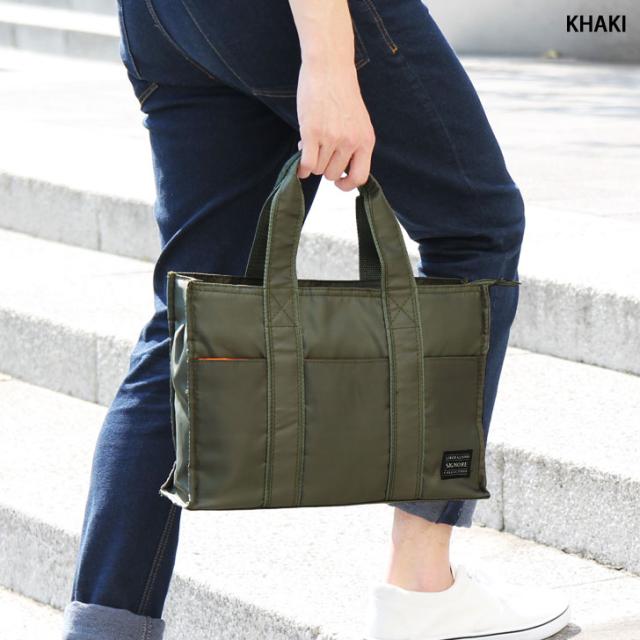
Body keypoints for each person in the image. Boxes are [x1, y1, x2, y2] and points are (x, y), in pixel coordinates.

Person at [62, 1, 571, 639]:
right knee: (477, 233)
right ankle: (422, 587)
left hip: (164, 19)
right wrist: (329, 61)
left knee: (191, 317)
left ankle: (102, 630)